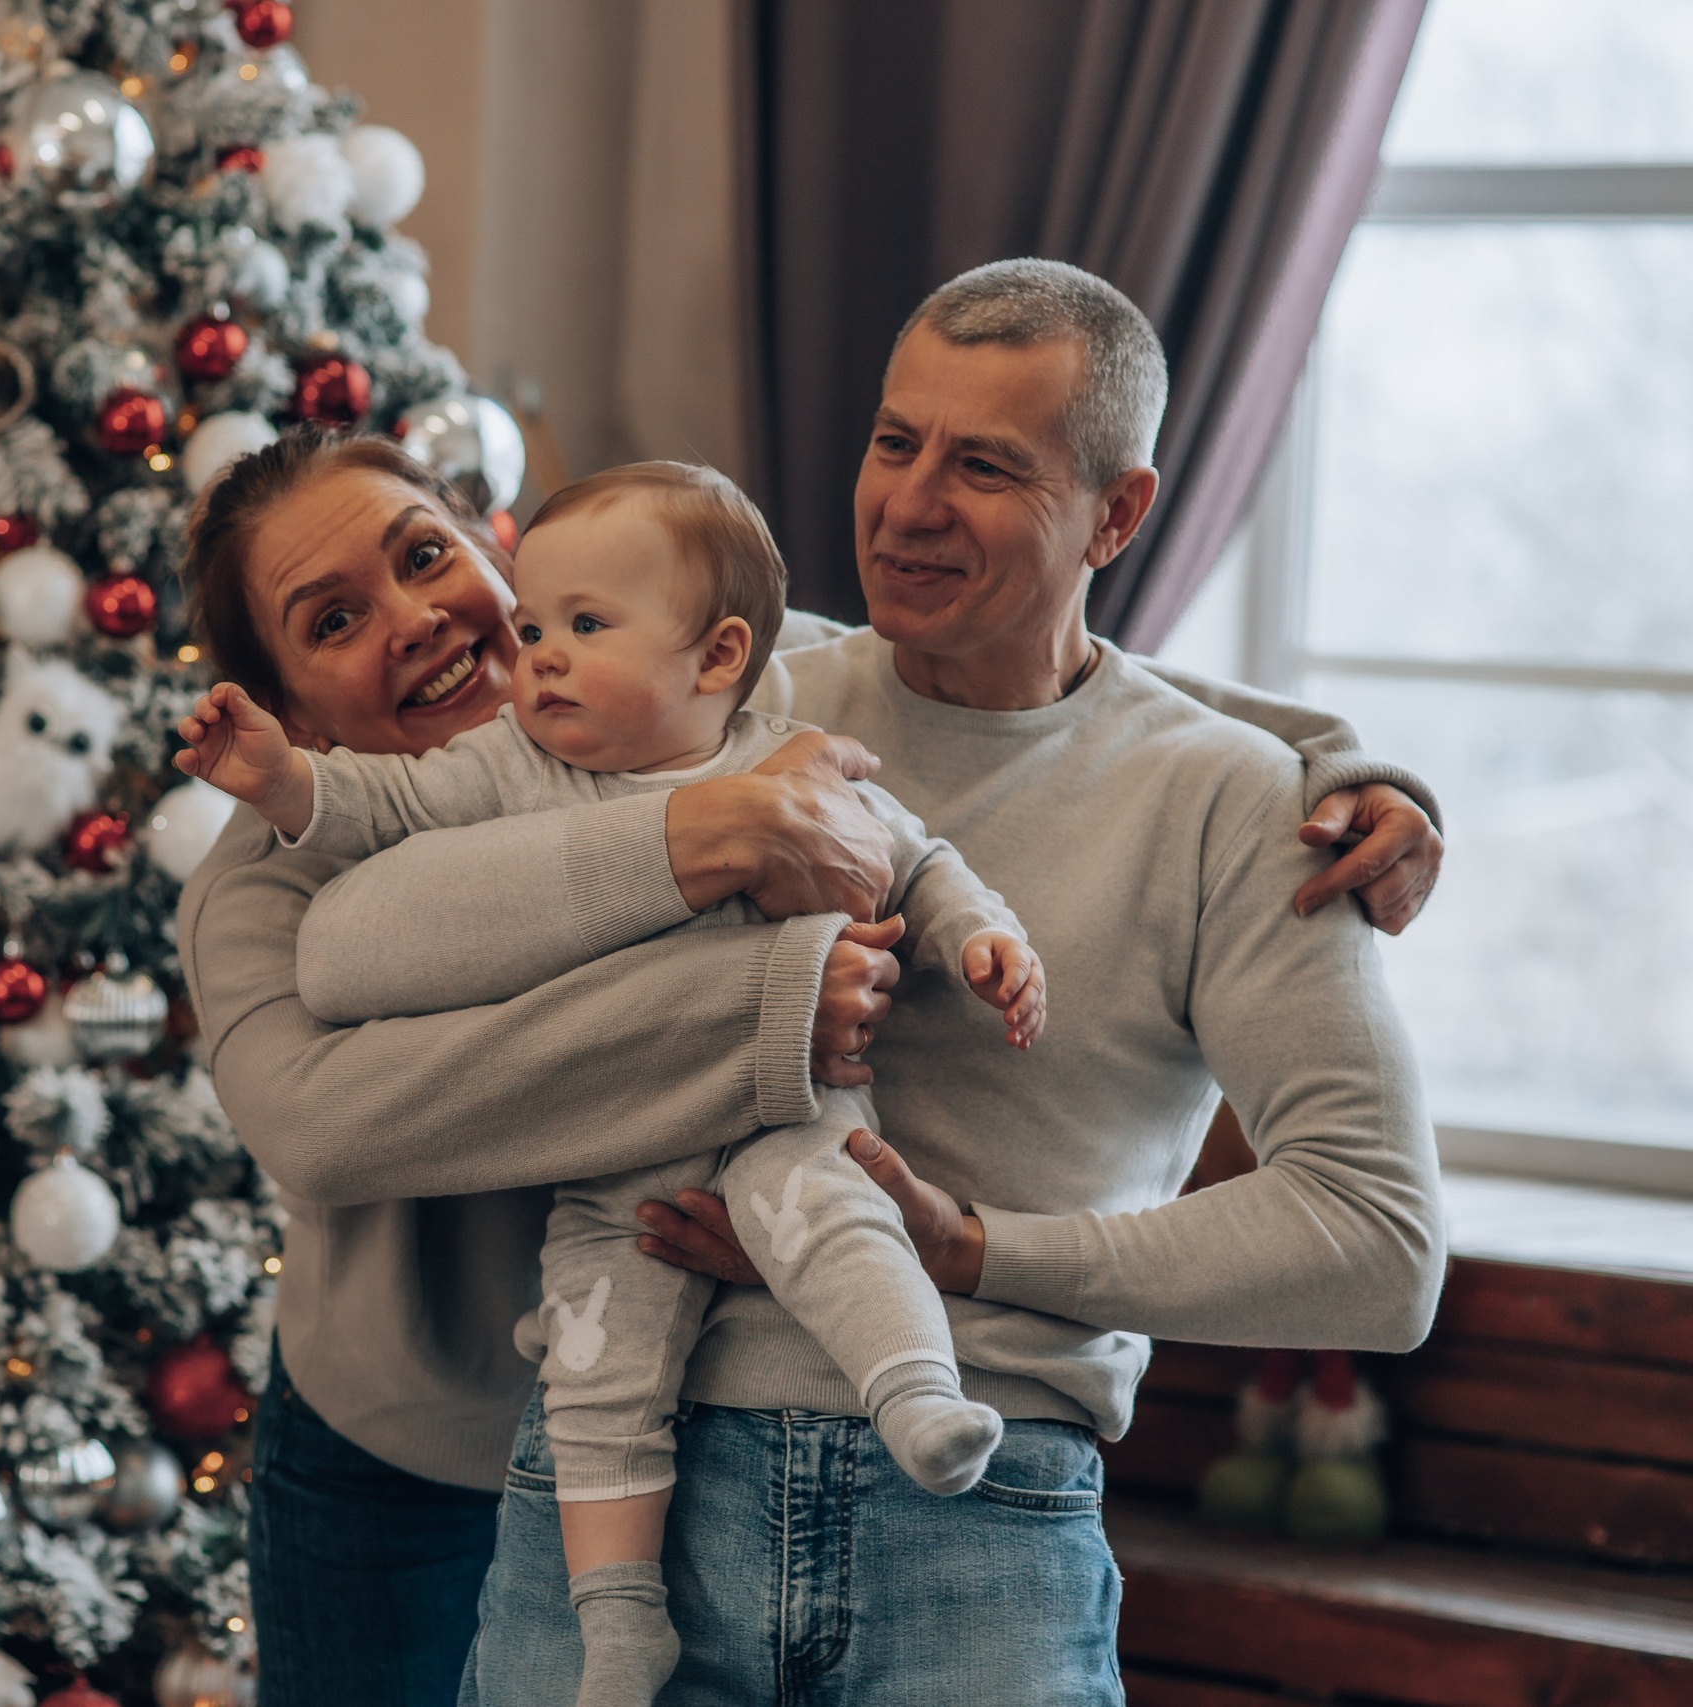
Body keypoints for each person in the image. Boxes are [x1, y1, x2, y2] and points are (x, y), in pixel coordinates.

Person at [175, 262, 1446, 1707]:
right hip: (472, 1425)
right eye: (893, 441)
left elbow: (1101, 704)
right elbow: (333, 1070)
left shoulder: (716, 690)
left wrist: (1343, 760)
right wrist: (720, 885)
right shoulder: (329, 852)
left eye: (982, 462)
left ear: (504, 554)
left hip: (935, 1471)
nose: (909, 502)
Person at [178, 461, 1037, 1707]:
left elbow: (1036, 667)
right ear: (293, 719)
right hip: (409, 1453)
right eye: (334, 620)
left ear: (498, 555)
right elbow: (329, 1124)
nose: (414, 616)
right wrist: (736, 925)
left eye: (425, 557)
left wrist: (1342, 773)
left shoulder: (680, 672)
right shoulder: (269, 880)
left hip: (703, 1418)